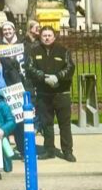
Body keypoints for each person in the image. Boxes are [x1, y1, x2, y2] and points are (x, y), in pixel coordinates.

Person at [27, 26, 75, 161]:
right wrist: (43, 77)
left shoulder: (63, 51)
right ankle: (49, 150)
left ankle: (67, 151)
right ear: (40, 37)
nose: (47, 38)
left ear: (54, 37)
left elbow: (70, 67)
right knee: (46, 124)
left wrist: (58, 77)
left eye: (49, 35)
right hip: (44, 94)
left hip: (62, 94)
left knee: (64, 124)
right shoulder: (34, 51)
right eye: (44, 35)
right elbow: (29, 68)